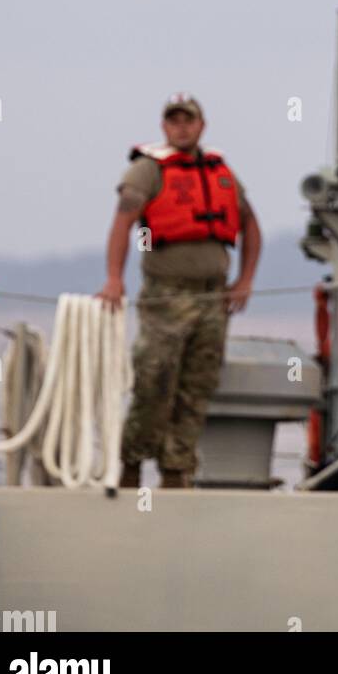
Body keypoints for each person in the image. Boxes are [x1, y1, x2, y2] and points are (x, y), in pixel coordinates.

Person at [97, 94, 261, 488]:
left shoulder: (221, 171)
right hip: (166, 295)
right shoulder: (147, 170)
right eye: (174, 121)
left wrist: (245, 280)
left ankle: (176, 472)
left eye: (188, 121)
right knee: (155, 379)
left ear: (201, 125)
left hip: (213, 297)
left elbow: (250, 226)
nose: (181, 127)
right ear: (164, 127)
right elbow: (122, 223)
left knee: (197, 386)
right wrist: (114, 279)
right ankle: (131, 468)